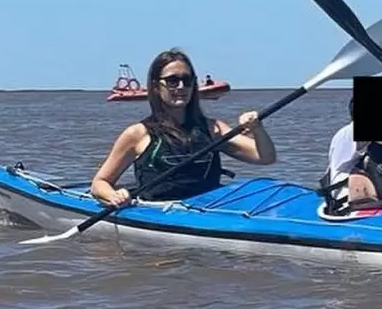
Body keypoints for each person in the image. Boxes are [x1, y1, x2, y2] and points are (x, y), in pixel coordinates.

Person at [91, 48, 276, 206]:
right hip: (159, 211)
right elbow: (100, 183)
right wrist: (113, 196)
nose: (181, 87)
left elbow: (265, 157)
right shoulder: (137, 134)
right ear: (156, 86)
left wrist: (257, 128)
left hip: (208, 210)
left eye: (187, 80)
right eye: (172, 81)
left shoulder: (214, 129)